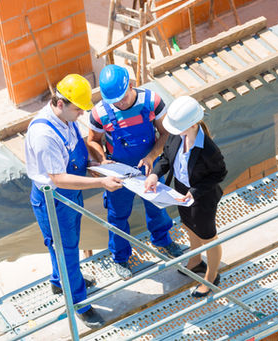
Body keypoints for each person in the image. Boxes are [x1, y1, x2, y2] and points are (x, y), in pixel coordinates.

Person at [25, 74, 123, 328]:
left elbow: (77, 148)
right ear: (60, 103)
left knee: (65, 244)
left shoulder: (64, 119)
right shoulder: (45, 135)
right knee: (66, 250)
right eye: (77, 109)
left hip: (69, 195)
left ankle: (60, 282)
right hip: (55, 199)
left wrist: (96, 163)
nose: (80, 114)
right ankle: (80, 303)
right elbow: (59, 178)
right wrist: (101, 182)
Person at [86, 65, 183, 280]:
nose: (119, 104)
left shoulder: (151, 101)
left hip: (148, 165)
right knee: (117, 216)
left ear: (131, 84)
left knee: (156, 205)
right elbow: (92, 140)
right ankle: (120, 258)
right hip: (118, 172)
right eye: (114, 101)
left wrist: (151, 157)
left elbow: (166, 134)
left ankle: (163, 240)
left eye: (121, 98)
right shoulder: (100, 112)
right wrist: (102, 161)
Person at [144, 96, 227, 298]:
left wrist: (196, 191)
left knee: (208, 237)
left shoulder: (208, 149)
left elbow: (220, 174)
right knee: (188, 225)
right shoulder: (176, 136)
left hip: (202, 198)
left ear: (191, 125)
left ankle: (211, 276)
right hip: (181, 192)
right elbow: (165, 158)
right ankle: (196, 260)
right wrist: (155, 173)